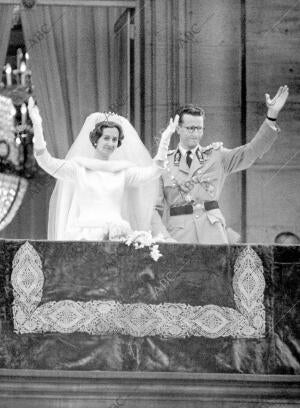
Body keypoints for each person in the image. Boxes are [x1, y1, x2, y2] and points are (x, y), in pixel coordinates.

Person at [151, 85, 289, 244]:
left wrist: (272, 115)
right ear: (178, 129)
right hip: (178, 236)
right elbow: (154, 208)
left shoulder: (217, 156)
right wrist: (163, 237)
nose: (195, 134)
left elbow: (251, 151)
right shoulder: (164, 163)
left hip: (213, 234)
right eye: (190, 128)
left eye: (199, 129)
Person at [28, 97, 179, 240]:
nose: (110, 143)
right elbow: (46, 161)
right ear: (96, 139)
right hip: (82, 234)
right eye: (106, 138)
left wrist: (165, 139)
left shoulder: (122, 172)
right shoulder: (79, 168)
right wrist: (37, 125)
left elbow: (153, 171)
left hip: (116, 234)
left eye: (114, 139)